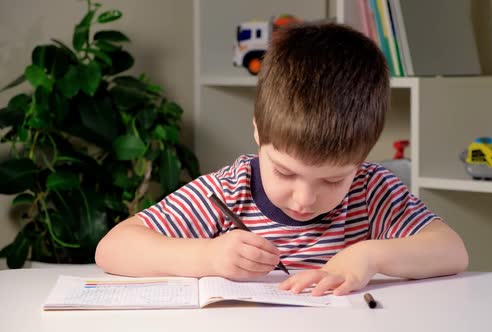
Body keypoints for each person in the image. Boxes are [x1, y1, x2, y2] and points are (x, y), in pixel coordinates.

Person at [95, 22, 468, 296]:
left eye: (333, 180)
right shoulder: (229, 190)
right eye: (285, 172)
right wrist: (207, 256)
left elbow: (452, 250)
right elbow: (113, 248)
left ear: (363, 158)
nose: (305, 199)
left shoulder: (371, 190)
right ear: (258, 130)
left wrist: (369, 257)